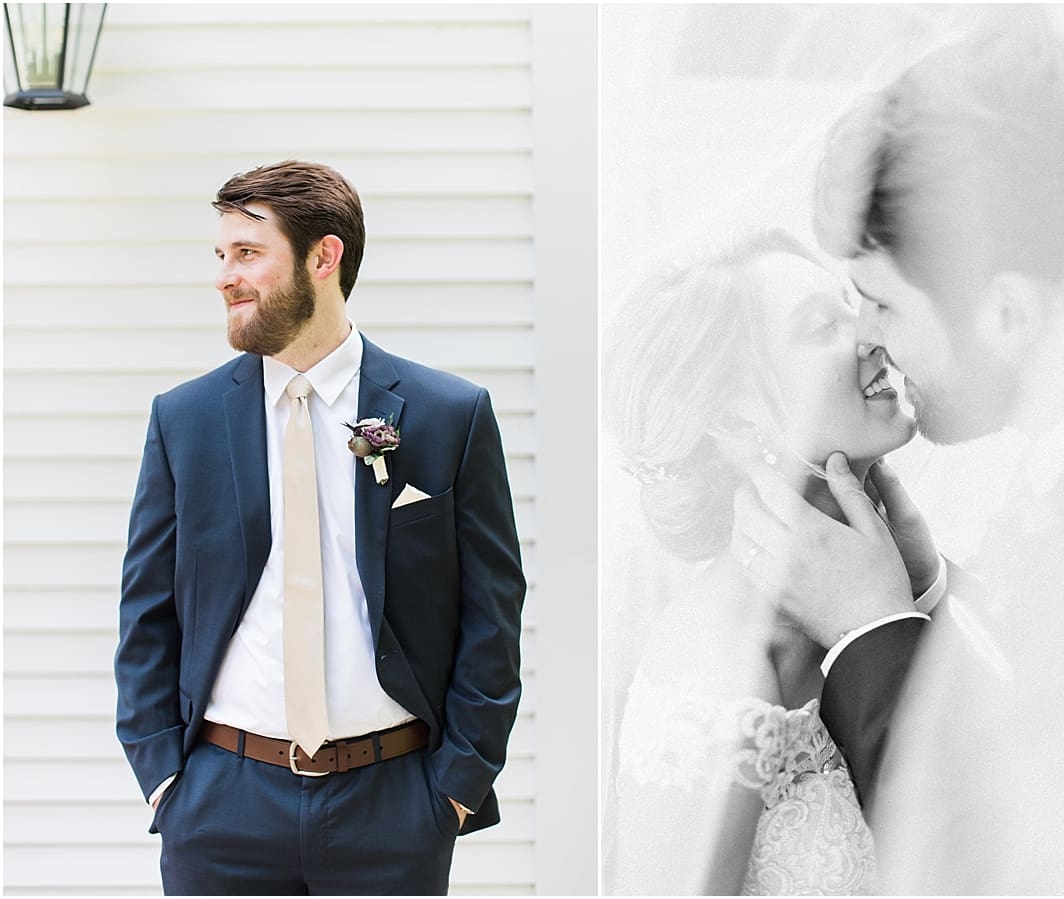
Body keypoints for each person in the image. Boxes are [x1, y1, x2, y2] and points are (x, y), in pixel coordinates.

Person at [735, 27, 1064, 893]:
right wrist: (927, 597)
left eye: (880, 303)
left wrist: (870, 634)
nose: (865, 338)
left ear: (1009, 315)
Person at [114, 160, 526, 895]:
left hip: (394, 806)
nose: (224, 277)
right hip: (220, 805)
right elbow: (145, 615)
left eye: (248, 253)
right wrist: (163, 779)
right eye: (221, 256)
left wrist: (453, 790)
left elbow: (491, 615)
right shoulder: (184, 422)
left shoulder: (447, 415)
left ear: (323, 257)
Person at [602, 229, 945, 894]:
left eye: (855, 304)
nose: (873, 332)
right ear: (737, 419)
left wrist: (926, 593)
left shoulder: (891, 581)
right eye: (823, 324)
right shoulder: (715, 655)